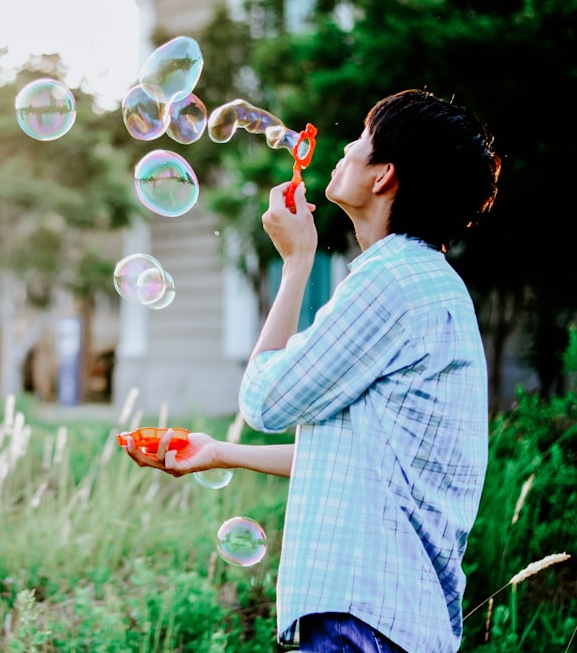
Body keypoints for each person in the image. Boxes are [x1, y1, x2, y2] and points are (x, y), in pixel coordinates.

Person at [123, 89, 500, 653]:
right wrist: (220, 452)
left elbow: (264, 403)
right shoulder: (433, 285)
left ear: (383, 177)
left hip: (361, 616)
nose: (347, 145)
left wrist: (297, 263)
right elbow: (361, 458)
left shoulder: (388, 280)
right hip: (391, 617)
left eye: (363, 140)